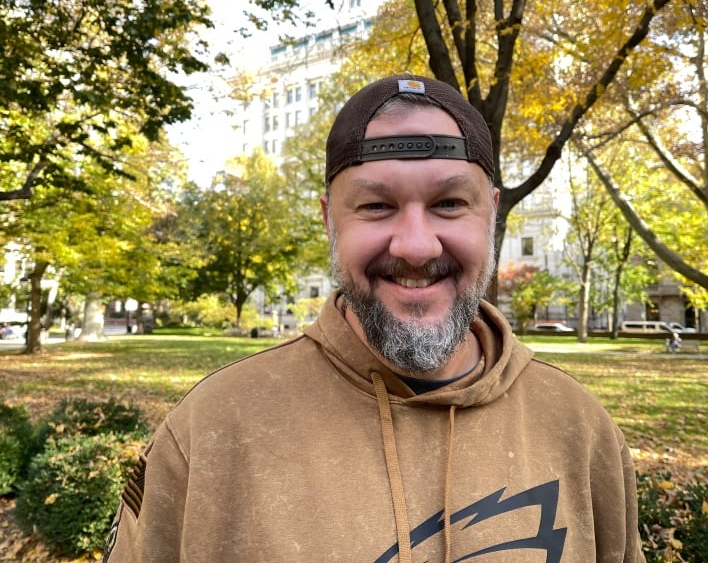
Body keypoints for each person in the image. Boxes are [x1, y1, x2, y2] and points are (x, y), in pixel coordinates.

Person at [102, 74, 645, 562]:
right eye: (376, 207)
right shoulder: (210, 431)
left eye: (451, 203)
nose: (414, 246)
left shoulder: (581, 427)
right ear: (329, 221)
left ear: (493, 215)